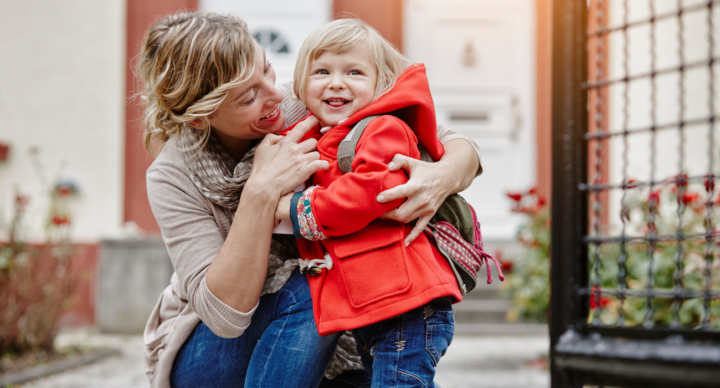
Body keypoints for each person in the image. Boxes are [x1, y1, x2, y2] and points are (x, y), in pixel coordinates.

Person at [138, 12, 483, 388]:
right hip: (209, 353)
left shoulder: (308, 99)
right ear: (199, 119)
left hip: (323, 329)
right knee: (318, 278)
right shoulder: (171, 176)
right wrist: (260, 192)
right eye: (249, 97)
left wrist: (440, 178)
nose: (275, 95)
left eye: (266, 70)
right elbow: (225, 316)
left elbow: (452, 143)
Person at [274, 19, 461, 387]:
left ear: (380, 84)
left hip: (406, 307)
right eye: (322, 71)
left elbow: (369, 193)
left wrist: (292, 208)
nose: (337, 82)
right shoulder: (320, 136)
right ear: (300, 85)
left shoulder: (382, 128)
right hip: (375, 304)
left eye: (355, 72)